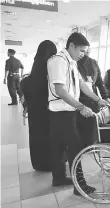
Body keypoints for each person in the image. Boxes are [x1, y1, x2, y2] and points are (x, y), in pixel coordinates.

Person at [47, 32, 109, 196]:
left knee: (59, 147)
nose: (83, 54)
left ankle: (58, 178)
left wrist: (97, 100)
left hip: (67, 112)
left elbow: (81, 84)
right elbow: (60, 90)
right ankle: (80, 187)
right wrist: (81, 107)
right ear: (72, 46)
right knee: (76, 148)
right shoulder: (59, 61)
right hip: (61, 114)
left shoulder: (72, 62)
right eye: (81, 50)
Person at [20, 40, 57, 171]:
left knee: (36, 136)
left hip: (35, 112)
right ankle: (51, 163)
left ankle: (38, 163)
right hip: (49, 111)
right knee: (50, 136)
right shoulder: (52, 69)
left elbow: (25, 84)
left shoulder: (35, 68)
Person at [76, 47, 110, 147]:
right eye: (84, 49)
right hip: (80, 99)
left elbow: (99, 82)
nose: (87, 50)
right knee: (81, 128)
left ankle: (90, 147)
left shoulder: (94, 63)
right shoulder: (75, 63)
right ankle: (82, 147)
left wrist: (105, 96)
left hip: (93, 100)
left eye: (88, 48)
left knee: (92, 128)